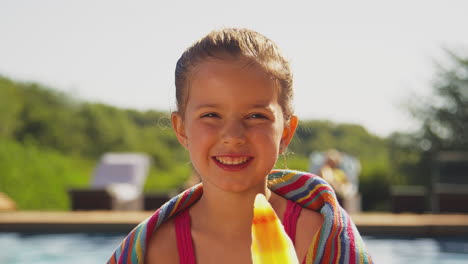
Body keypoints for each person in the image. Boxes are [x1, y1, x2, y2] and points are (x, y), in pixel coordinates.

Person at [108, 28, 372, 264]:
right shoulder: (160, 250)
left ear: (286, 133)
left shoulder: (316, 236)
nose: (233, 135)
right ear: (181, 128)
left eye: (256, 116)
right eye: (211, 115)